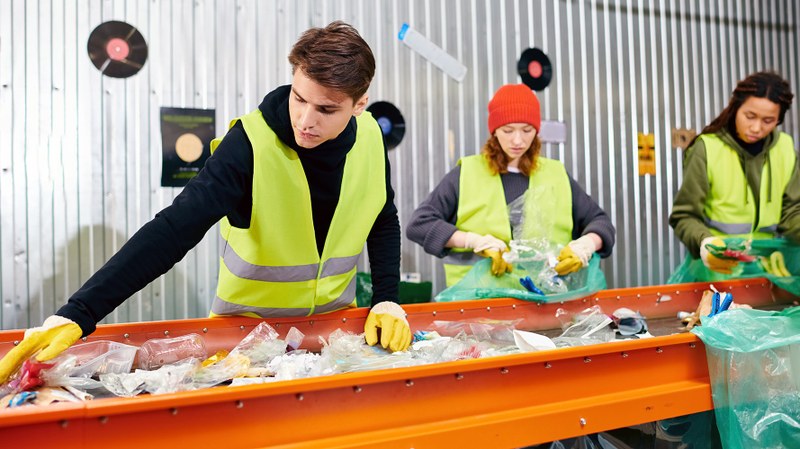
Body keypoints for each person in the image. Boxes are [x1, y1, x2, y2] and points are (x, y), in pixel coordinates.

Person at [0, 21, 411, 384]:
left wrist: (387, 298)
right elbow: (175, 228)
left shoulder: (371, 138)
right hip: (245, 343)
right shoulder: (250, 144)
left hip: (332, 336)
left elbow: (382, 216)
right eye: (299, 98)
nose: (305, 120)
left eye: (326, 109)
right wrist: (78, 312)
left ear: (359, 105)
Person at [406, 83, 615, 287]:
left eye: (527, 130)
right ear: (494, 131)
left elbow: (601, 223)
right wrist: (472, 241)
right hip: (480, 304)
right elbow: (419, 225)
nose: (518, 140)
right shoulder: (467, 173)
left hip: (548, 299)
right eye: (508, 130)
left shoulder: (555, 174)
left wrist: (587, 244)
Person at [669, 71, 800, 274]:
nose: (756, 128)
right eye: (750, 116)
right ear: (735, 107)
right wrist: (705, 243)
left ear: (779, 120)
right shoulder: (707, 148)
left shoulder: (785, 149)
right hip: (718, 270)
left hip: (768, 273)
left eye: (768, 121)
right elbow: (684, 216)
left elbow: (792, 212)